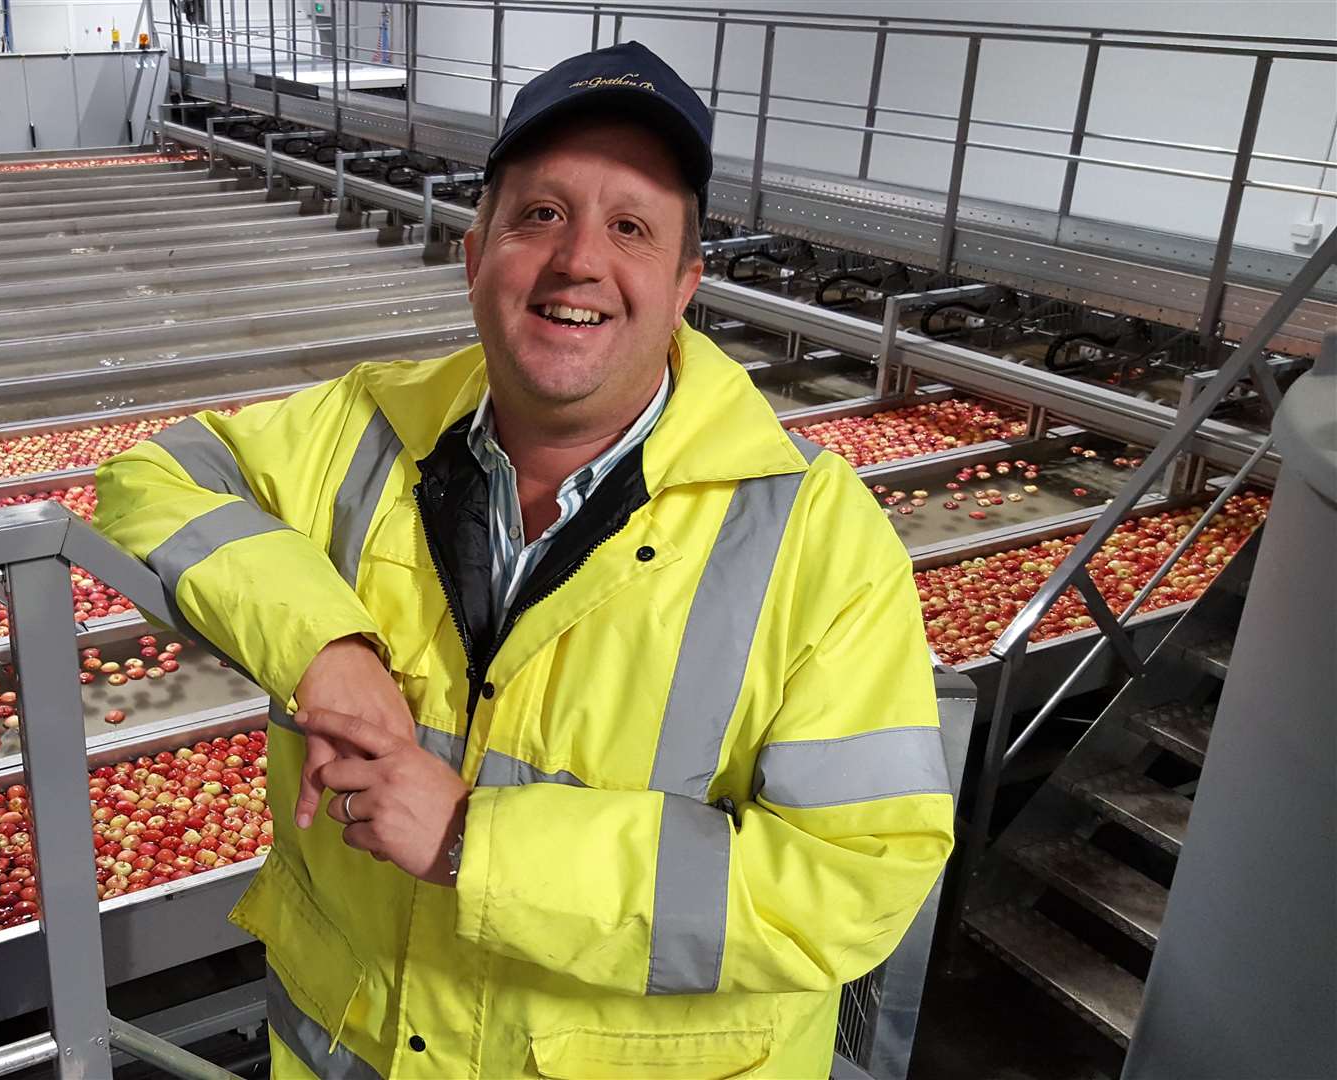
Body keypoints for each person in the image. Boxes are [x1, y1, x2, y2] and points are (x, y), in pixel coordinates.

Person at [96, 40, 954, 1079]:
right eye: (539, 215)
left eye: (629, 226)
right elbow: (149, 482)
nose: (577, 260)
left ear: (687, 284)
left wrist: (476, 843)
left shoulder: (814, 538)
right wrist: (325, 641)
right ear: (474, 253)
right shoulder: (366, 431)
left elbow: (856, 885)